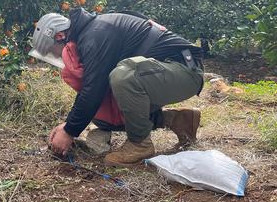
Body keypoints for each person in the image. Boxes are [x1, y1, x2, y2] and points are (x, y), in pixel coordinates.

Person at [30, 8, 204, 167]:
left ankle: (139, 145)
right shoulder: (91, 32)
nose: (57, 57)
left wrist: (69, 131)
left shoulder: (95, 35)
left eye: (53, 52)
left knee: (124, 77)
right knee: (104, 117)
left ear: (60, 36)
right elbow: (92, 90)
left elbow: (93, 90)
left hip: (184, 71)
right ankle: (178, 121)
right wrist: (69, 125)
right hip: (165, 73)